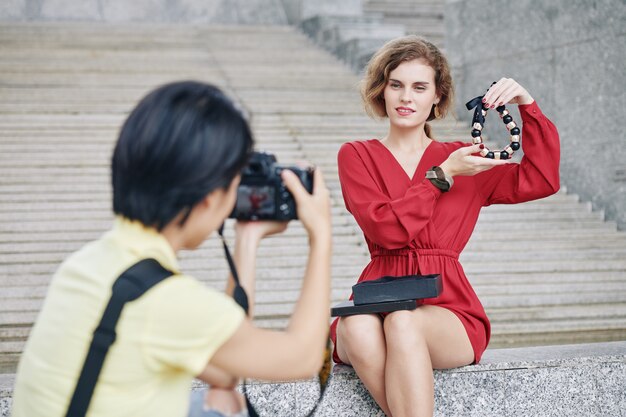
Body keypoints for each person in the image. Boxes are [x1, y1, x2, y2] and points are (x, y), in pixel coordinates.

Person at [11, 81, 332, 417]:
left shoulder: (83, 264)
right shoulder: (166, 301)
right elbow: (303, 358)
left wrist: (246, 239)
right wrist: (320, 235)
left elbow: (224, 372)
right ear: (209, 200)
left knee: (224, 398)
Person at [329, 36, 560, 417]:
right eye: (396, 84)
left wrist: (527, 106)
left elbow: (542, 178)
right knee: (354, 327)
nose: (406, 97)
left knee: (404, 323)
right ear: (381, 91)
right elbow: (387, 230)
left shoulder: (463, 159)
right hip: (379, 295)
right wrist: (441, 176)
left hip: (447, 309)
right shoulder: (357, 155)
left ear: (437, 96)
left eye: (420, 87)